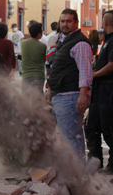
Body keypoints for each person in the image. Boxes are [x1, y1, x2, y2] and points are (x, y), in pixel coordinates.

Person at [47, 9, 93, 158]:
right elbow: (58, 68)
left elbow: (85, 71)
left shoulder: (80, 43)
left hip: (71, 96)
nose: (65, 24)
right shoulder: (63, 40)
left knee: (72, 139)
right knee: (66, 138)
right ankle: (72, 174)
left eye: (68, 21)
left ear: (76, 23)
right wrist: (50, 90)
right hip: (61, 95)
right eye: (62, 21)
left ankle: (77, 175)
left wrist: (82, 95)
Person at [85, 10, 113, 173]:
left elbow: (111, 65)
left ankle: (111, 166)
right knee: (91, 126)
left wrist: (94, 74)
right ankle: (95, 163)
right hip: (99, 91)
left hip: (108, 91)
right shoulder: (107, 41)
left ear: (106, 22)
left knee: (108, 128)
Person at [21, 21, 46, 94]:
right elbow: (44, 60)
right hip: (38, 75)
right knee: (37, 100)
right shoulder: (43, 46)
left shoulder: (23, 43)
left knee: (25, 100)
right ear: (39, 34)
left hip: (26, 75)